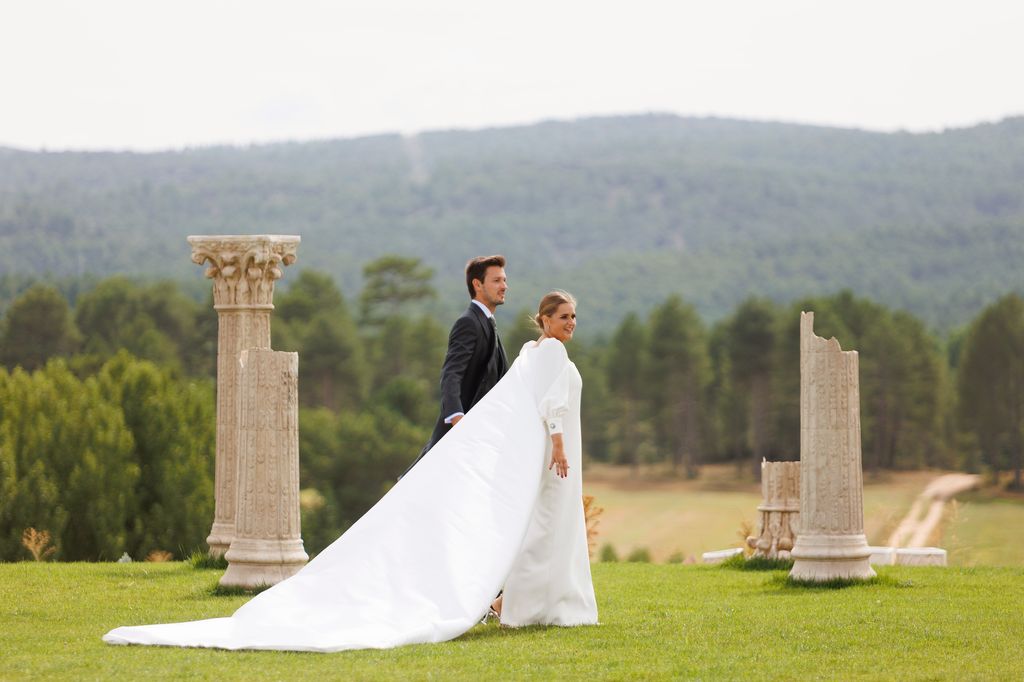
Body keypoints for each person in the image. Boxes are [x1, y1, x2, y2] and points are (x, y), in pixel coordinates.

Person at [103, 291, 597, 652]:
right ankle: (543, 605)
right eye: (564, 316)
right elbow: (552, 406)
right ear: (544, 320)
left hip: (540, 454)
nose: (571, 323)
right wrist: (557, 447)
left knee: (539, 530)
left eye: (575, 316)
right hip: (553, 455)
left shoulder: (534, 353)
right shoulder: (549, 353)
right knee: (545, 528)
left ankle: (526, 605)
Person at [404, 255, 509, 477]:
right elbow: (451, 373)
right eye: (497, 281)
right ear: (477, 285)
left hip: (484, 435)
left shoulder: (490, 324)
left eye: (504, 280)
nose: (504, 286)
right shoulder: (469, 322)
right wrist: (456, 417)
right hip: (461, 434)